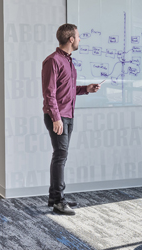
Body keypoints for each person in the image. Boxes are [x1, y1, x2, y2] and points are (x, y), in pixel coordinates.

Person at [42, 23, 100, 215]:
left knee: (61, 156)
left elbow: (67, 90)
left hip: (68, 114)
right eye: (78, 36)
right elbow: (49, 94)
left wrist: (86, 89)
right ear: (71, 39)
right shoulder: (53, 61)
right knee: (60, 156)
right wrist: (56, 118)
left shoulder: (68, 61)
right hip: (57, 117)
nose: (80, 39)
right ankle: (58, 201)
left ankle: (56, 197)